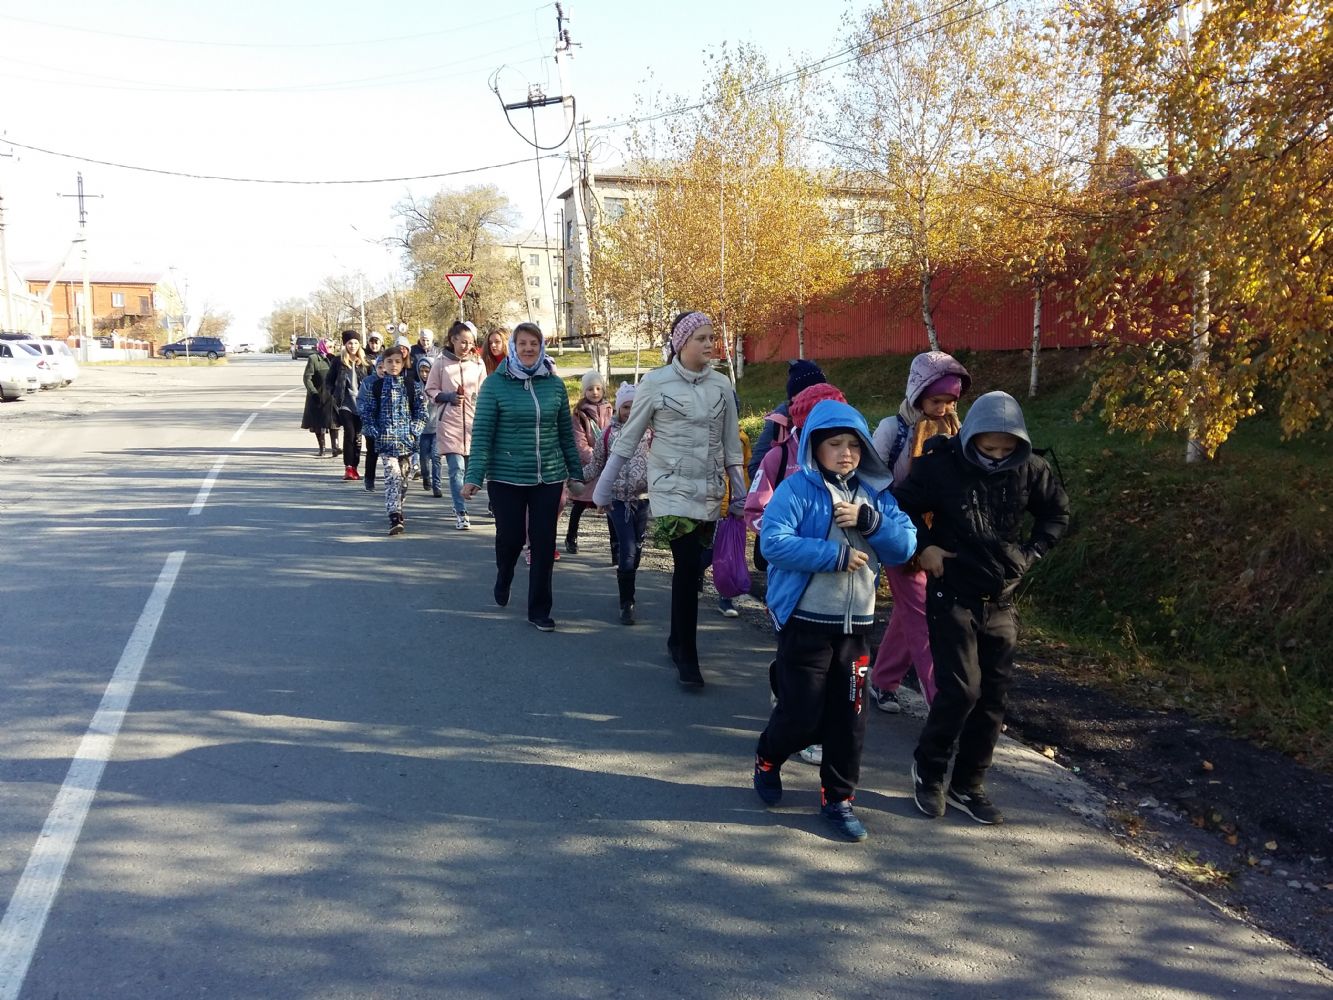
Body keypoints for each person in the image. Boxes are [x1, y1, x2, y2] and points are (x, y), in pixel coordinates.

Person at [895, 390, 1070, 825]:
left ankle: (968, 784)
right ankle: (929, 770)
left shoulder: (1031, 469)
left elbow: (1056, 514)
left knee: (993, 697)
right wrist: (924, 546)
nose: (996, 457)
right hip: (952, 593)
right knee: (961, 691)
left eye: (1006, 449)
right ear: (971, 436)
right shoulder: (940, 465)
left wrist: (1032, 553)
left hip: (1001, 598)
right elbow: (901, 505)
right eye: (989, 448)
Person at [752, 398, 917, 842]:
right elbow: (773, 543)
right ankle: (768, 756)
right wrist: (834, 555)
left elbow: (905, 546)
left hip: (856, 627)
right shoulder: (797, 490)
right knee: (802, 715)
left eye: (854, 444)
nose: (846, 453)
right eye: (835, 444)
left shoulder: (875, 497)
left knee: (851, 719)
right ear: (814, 446)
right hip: (805, 623)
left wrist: (871, 522)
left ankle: (838, 799)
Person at [592, 311, 744, 688]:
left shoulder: (722, 385)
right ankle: (687, 656)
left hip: (709, 490)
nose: (710, 344)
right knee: (687, 562)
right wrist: (604, 487)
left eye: (712, 337)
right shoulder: (656, 383)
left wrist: (740, 492)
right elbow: (628, 438)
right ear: (682, 343)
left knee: (691, 569)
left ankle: (677, 640)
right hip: (670, 489)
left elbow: (731, 444)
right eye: (702, 338)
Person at [745, 381, 847, 769]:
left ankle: (797, 703)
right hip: (791, 582)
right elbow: (756, 508)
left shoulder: (851, 463)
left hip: (837, 588)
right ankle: (796, 716)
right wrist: (780, 533)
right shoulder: (779, 456)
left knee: (823, 672)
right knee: (797, 661)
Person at [868, 351, 972, 713]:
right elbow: (870, 478)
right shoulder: (893, 429)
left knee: (910, 612)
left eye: (950, 401)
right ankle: (943, 704)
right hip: (899, 532)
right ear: (917, 395)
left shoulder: (957, 430)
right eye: (935, 400)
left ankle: (883, 680)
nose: (943, 409)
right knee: (924, 614)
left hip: (939, 534)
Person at [463, 323, 583, 632]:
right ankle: (504, 575)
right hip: (506, 477)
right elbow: (482, 435)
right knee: (511, 538)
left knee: (543, 543)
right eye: (523, 343)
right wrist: (474, 476)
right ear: (513, 348)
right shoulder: (495, 385)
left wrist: (575, 473)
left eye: (534, 343)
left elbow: (566, 435)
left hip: (548, 477)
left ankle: (539, 610)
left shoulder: (554, 385)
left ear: (541, 347)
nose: (529, 348)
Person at [585, 381, 651, 625]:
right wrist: (575, 476)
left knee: (638, 548)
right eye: (625, 407)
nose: (630, 412)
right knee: (628, 548)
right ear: (618, 408)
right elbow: (596, 465)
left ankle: (628, 579)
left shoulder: (650, 433)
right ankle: (627, 602)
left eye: (634, 407)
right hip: (617, 501)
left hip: (643, 499)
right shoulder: (607, 434)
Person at [358, 345, 428, 535]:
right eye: (389, 362)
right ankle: (394, 515)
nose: (393, 365)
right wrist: (374, 431)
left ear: (403, 363)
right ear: (383, 364)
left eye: (397, 361)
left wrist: (415, 430)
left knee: (403, 480)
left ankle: (399, 505)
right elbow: (367, 412)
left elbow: (421, 411)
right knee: (392, 475)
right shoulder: (376, 386)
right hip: (386, 441)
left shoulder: (411, 385)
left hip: (406, 442)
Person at [426, 320, 487, 527]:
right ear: (453, 340)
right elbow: (430, 389)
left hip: (473, 423)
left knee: (471, 471)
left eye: (470, 342)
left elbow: (485, 391)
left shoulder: (478, 364)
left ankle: (460, 501)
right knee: (456, 469)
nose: (467, 346)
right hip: (449, 423)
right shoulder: (441, 363)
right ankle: (461, 511)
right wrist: (447, 396)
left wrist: (482, 407)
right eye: (463, 342)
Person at [748, 359, 827, 483]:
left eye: (822, 392)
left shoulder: (831, 418)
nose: (816, 398)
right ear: (794, 397)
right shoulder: (779, 421)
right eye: (808, 392)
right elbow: (756, 469)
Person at [567, 369, 616, 557]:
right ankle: (571, 537)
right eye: (590, 389)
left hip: (609, 464)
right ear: (584, 391)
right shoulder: (580, 415)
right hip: (590, 465)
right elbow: (580, 443)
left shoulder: (611, 411)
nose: (594, 392)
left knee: (610, 506)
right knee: (581, 503)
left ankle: (616, 547)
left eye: (598, 388)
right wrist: (597, 459)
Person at [325, 330, 370, 481]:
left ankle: (355, 467)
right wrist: (334, 394)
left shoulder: (365, 362)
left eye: (356, 343)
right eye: (350, 343)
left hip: (362, 404)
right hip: (345, 404)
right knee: (349, 433)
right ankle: (348, 468)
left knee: (358, 436)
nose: (353, 346)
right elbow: (329, 381)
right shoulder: (338, 361)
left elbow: (372, 381)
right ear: (345, 344)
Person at [300, 338, 340, 457]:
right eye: (329, 346)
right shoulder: (314, 359)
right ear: (322, 346)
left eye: (332, 347)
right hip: (318, 395)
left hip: (332, 396)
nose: (331, 349)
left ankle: (335, 448)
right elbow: (307, 378)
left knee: (334, 423)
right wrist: (313, 393)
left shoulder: (335, 359)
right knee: (318, 424)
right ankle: (322, 448)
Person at [414, 355, 441, 497]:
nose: (424, 374)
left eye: (427, 371)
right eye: (422, 371)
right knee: (424, 458)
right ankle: (426, 477)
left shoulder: (438, 387)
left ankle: (437, 486)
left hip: (437, 428)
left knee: (436, 457)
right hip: (423, 430)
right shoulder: (417, 387)